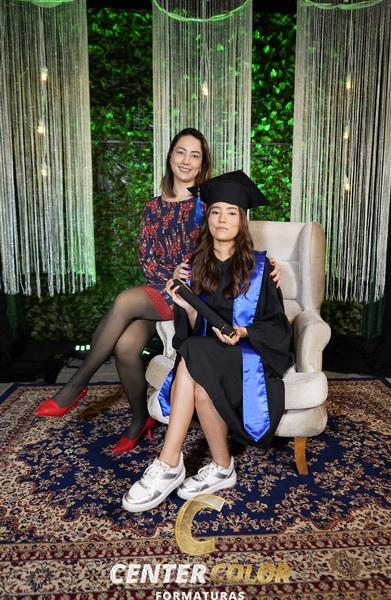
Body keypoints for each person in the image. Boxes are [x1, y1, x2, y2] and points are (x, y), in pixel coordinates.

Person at [35, 130, 281, 454]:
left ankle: (77, 384)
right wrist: (170, 276)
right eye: (181, 152)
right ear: (170, 156)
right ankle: (140, 419)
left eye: (195, 155)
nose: (186, 160)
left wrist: (266, 263)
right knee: (126, 347)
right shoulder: (152, 207)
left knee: (125, 301)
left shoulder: (208, 204)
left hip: (193, 294)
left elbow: (229, 242)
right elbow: (146, 259)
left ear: (203, 163)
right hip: (159, 290)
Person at [122, 170, 292, 513]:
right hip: (206, 354)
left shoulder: (261, 268)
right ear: (208, 218)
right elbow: (192, 331)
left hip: (248, 358)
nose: (222, 219)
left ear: (241, 221)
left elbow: (278, 329)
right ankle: (222, 466)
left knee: (193, 357)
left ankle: (169, 463)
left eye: (231, 212)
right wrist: (185, 307)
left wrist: (243, 332)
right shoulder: (194, 267)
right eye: (215, 211)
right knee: (198, 377)